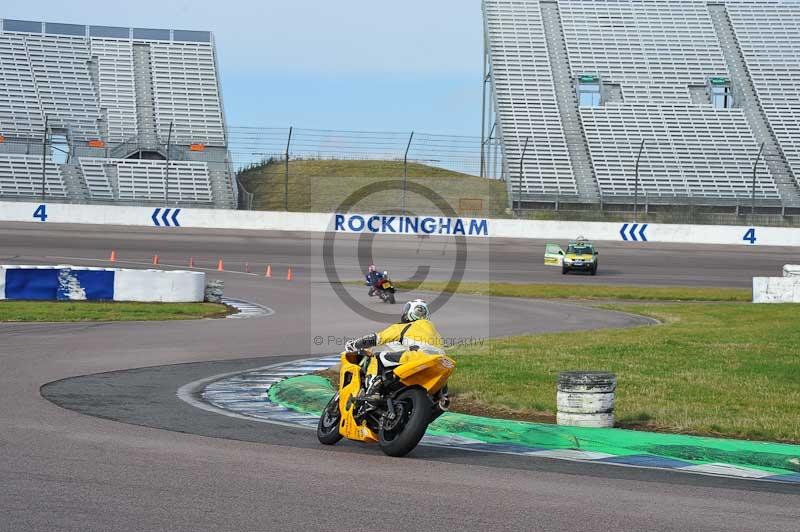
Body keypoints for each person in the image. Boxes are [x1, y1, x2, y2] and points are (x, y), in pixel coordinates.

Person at [346, 299, 444, 381]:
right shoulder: (434, 329)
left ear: (410, 312)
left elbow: (377, 338)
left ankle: (373, 391)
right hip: (440, 361)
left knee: (378, 357)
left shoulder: (405, 326)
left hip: (419, 356)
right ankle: (442, 397)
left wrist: (355, 344)